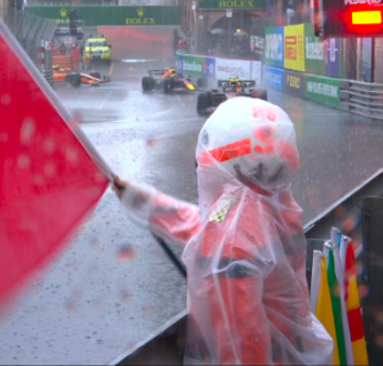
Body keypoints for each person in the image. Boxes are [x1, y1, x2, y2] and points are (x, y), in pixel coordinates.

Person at [111, 97, 333, 365]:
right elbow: (206, 229)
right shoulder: (276, 205)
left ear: (231, 163)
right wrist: (141, 200)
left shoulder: (234, 238)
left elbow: (244, 343)